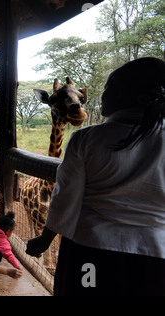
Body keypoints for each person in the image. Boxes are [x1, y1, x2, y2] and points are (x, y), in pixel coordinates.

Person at [26, 57, 165, 296]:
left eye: (110, 88)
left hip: (90, 251)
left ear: (135, 96)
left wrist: (45, 239)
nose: (100, 94)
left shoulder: (86, 139)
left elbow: (65, 198)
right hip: (154, 259)